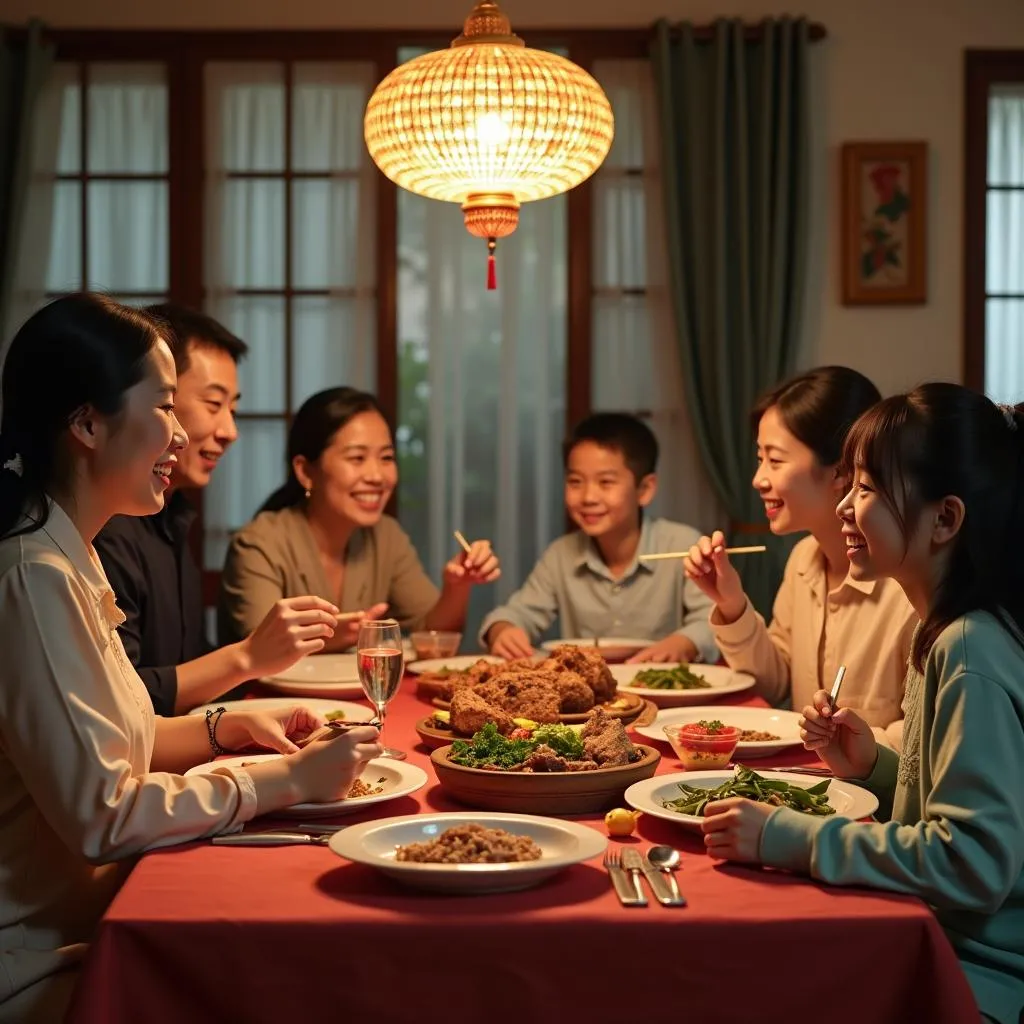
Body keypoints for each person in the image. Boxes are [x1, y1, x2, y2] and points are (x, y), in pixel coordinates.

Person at [0, 295, 381, 1023]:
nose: (184, 434)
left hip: (101, 912)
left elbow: (125, 738)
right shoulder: (32, 577)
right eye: (167, 407)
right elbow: (103, 817)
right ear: (86, 423)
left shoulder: (70, 553)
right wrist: (283, 778)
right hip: (43, 959)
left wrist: (224, 729)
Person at [699, 383, 1024, 1024]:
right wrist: (873, 763)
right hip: (923, 937)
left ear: (945, 519)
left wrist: (789, 836)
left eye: (868, 489)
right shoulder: (952, 632)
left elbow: (973, 861)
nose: (844, 507)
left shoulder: (969, 646)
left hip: (972, 976)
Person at [94, 304, 361, 716]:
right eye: (213, 404)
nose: (230, 431)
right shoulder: (106, 525)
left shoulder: (171, 514)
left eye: (232, 409)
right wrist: (249, 655)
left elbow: (189, 667)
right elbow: (119, 699)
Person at [684, 367, 916, 747]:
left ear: (841, 470)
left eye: (775, 461)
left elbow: (920, 738)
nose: (758, 479)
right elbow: (775, 684)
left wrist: (845, 747)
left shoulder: (906, 585)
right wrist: (730, 604)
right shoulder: (804, 559)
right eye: (759, 459)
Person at [219, 386, 500, 645]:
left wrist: (457, 586)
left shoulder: (386, 536)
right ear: (305, 471)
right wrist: (334, 638)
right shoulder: (258, 544)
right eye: (357, 458)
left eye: (386, 458)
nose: (377, 476)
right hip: (270, 701)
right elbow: (258, 651)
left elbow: (433, 636)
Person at [480, 412, 718, 664]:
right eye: (575, 481)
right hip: (587, 696)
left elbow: (714, 619)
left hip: (663, 692)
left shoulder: (682, 545)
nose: (588, 497)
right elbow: (519, 612)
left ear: (644, 489)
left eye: (605, 482)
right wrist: (503, 630)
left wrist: (685, 642)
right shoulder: (561, 554)